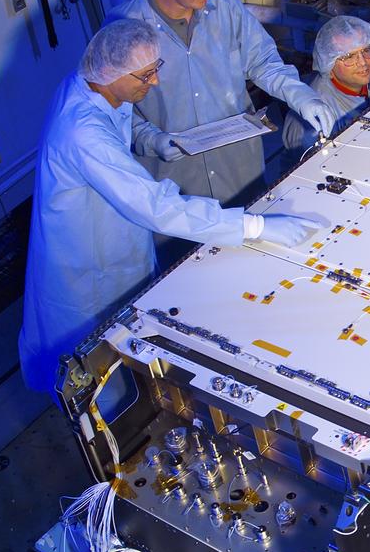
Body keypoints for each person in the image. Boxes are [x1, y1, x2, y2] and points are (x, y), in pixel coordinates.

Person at [19, 20, 324, 396]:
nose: (155, 83)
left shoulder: (98, 89)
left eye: (155, 71)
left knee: (129, 351)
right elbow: (156, 207)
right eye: (145, 76)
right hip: (85, 274)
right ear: (111, 73)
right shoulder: (82, 132)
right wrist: (254, 227)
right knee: (97, 382)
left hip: (117, 245)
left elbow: (121, 130)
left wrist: (153, 140)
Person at [111, 0, 338, 204]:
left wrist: (300, 96)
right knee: (189, 248)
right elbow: (114, 111)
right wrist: (150, 139)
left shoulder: (224, 6)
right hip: (175, 182)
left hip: (239, 169)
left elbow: (262, 60)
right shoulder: (124, 29)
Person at [282, 16, 370, 151]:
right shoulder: (312, 116)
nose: (363, 62)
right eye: (349, 57)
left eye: (366, 50)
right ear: (328, 65)